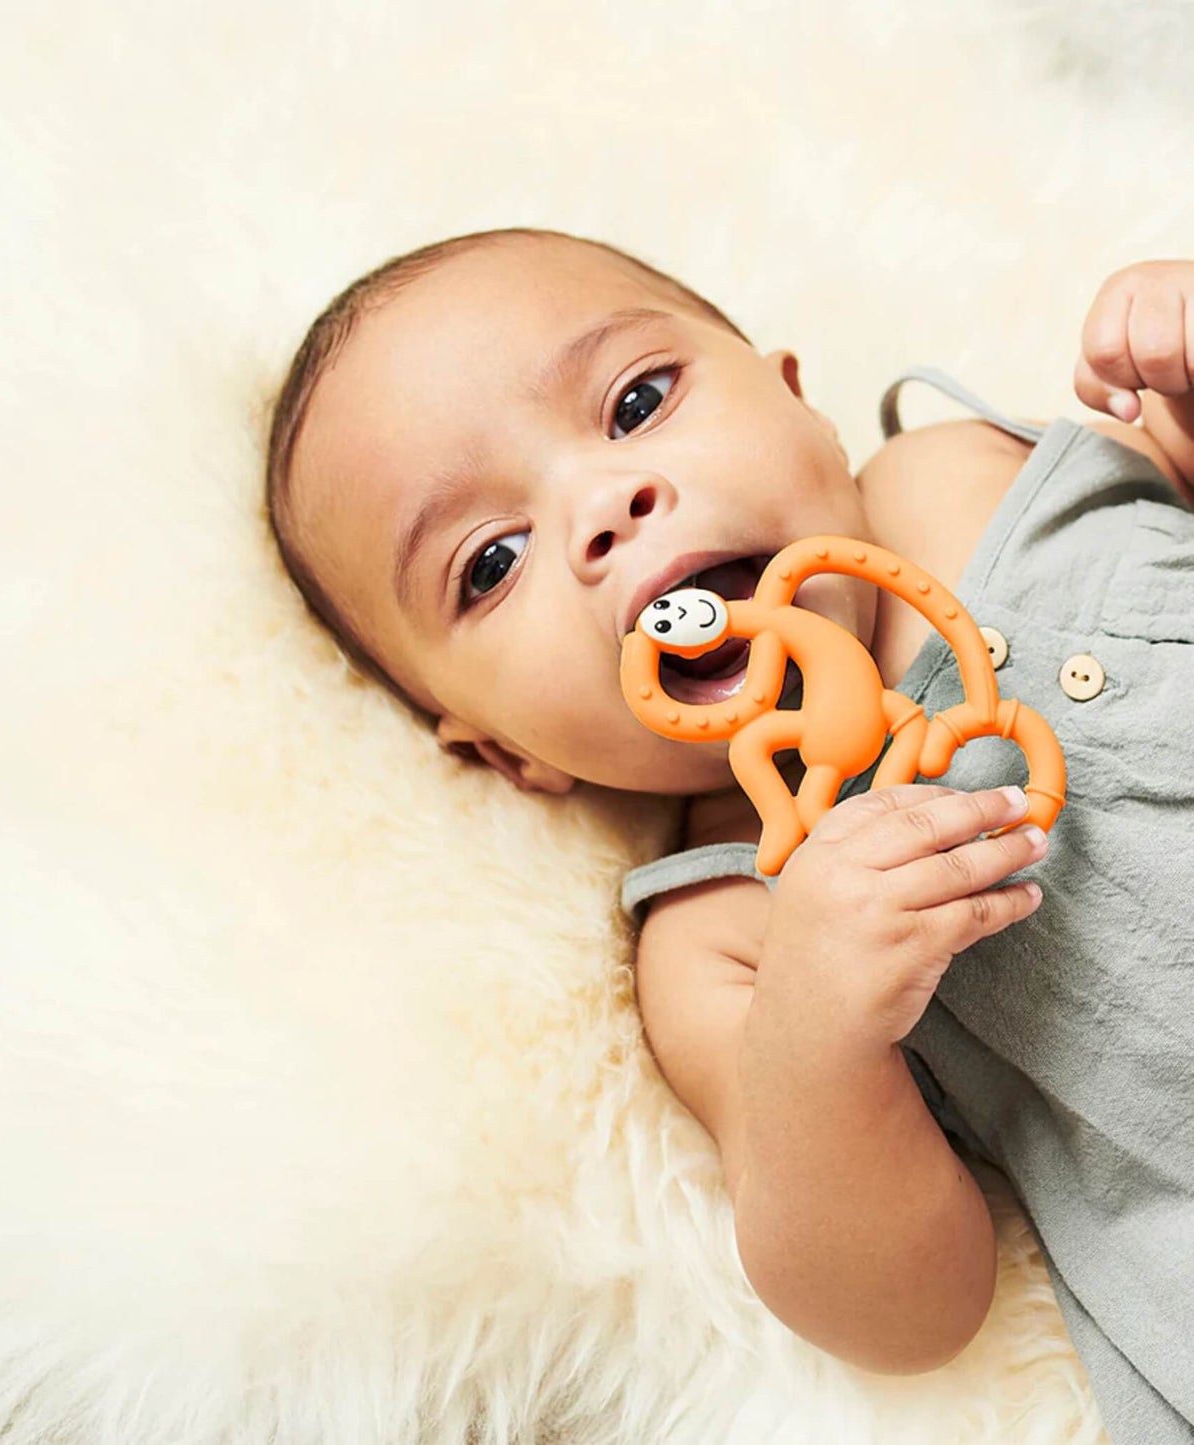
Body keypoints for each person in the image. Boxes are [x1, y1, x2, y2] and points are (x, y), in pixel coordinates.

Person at [262, 226, 1194, 1443]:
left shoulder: (962, 464)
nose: (603, 506)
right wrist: (821, 1033)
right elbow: (907, 1312)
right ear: (505, 751)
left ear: (797, 401)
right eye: (489, 562)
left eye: (635, 401)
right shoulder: (724, 925)